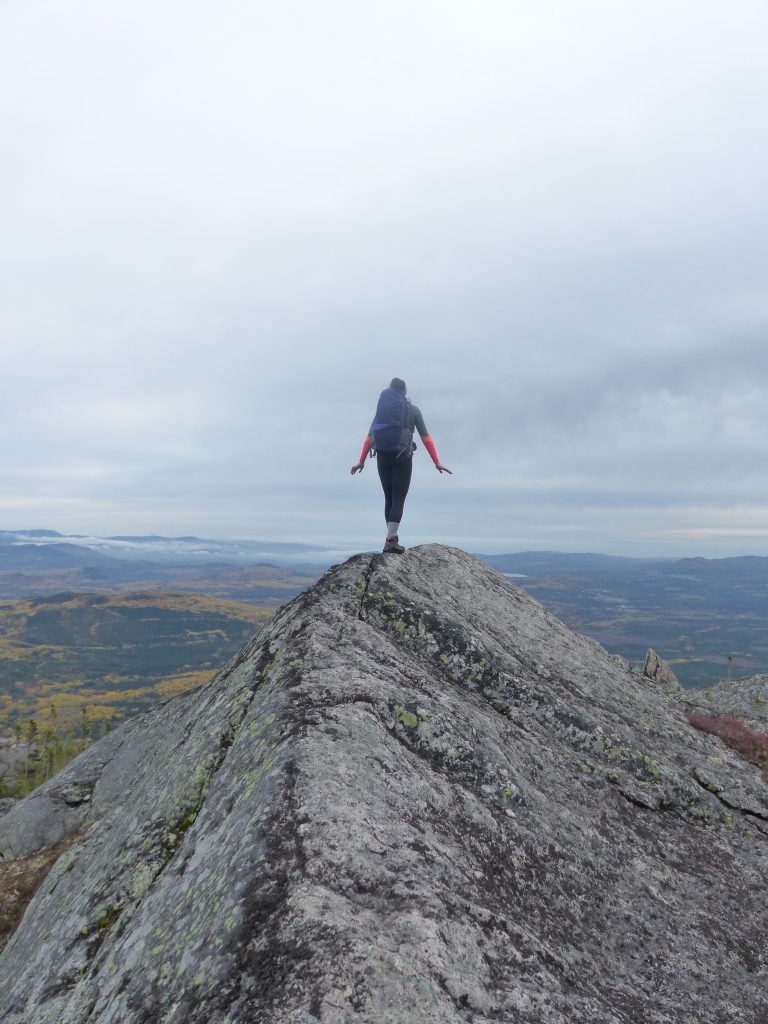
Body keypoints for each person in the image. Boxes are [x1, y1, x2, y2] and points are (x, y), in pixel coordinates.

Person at [351, 378, 452, 553]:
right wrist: (436, 461)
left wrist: (361, 461)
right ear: (404, 391)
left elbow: (369, 437)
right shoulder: (413, 410)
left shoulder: (381, 412)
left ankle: (391, 538)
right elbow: (425, 437)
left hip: (382, 457)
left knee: (389, 498)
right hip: (402, 458)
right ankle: (391, 540)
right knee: (398, 499)